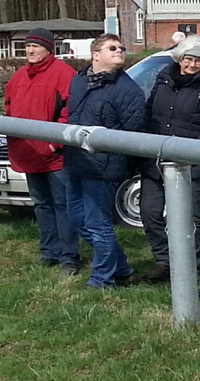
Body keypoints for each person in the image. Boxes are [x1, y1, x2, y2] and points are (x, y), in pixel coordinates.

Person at [63, 34, 148, 289]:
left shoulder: (127, 90)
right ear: (96, 54)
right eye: (112, 48)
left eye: (121, 48)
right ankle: (121, 267)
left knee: (98, 224)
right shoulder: (78, 81)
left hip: (103, 167)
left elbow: (133, 131)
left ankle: (102, 279)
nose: (120, 51)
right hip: (76, 160)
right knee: (77, 219)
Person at [139, 34, 200, 282]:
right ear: (179, 58)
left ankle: (192, 267)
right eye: (188, 58)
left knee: (188, 217)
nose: (192, 64)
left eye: (198, 60)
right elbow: (149, 114)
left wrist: (194, 155)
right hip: (156, 158)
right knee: (150, 212)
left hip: (191, 163)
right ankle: (165, 260)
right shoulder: (164, 80)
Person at [3, 28, 79, 272]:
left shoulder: (64, 74)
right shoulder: (19, 77)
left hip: (55, 155)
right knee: (41, 204)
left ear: (49, 49)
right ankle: (49, 252)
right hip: (28, 153)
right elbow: (9, 109)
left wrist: (54, 142)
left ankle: (69, 255)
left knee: (62, 204)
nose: (30, 51)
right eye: (28, 46)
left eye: (36, 46)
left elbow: (70, 111)